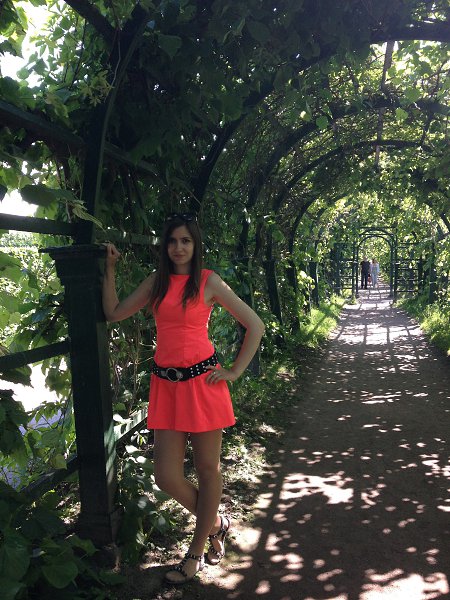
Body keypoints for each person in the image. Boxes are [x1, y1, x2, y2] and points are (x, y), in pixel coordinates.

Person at [102, 212, 265, 585]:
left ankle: (194, 552)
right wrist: (109, 269)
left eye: (185, 241)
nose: (178, 247)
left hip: (203, 385)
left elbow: (255, 325)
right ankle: (217, 524)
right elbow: (112, 313)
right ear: (165, 246)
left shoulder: (208, 282)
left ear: (195, 245)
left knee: (208, 471)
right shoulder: (156, 282)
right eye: (172, 241)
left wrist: (235, 371)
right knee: (166, 477)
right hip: (166, 387)